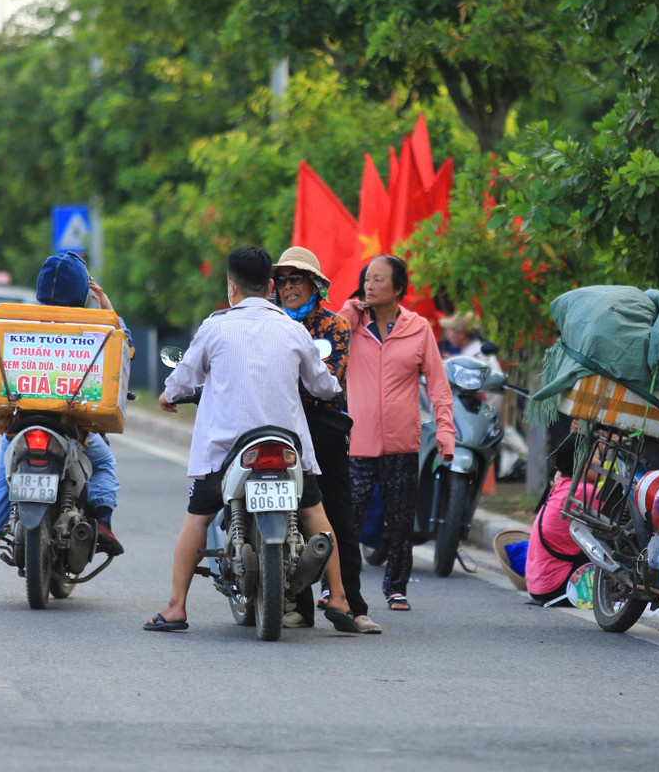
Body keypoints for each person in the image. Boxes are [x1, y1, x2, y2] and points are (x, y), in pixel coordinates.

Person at [146, 246, 361, 633]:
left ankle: (176, 607)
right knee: (315, 515)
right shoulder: (293, 330)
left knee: (197, 518)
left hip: (226, 452)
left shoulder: (214, 327)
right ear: (269, 286)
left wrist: (167, 395)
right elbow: (324, 385)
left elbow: (184, 377)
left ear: (232, 286)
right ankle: (341, 598)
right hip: (287, 447)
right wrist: (329, 388)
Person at [0, 252, 126, 598]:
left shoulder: (16, 323)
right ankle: (105, 523)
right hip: (70, 429)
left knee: (1, 490)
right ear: (83, 292)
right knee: (105, 464)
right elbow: (124, 346)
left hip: (21, 427)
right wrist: (107, 307)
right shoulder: (95, 327)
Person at [271, 247, 381, 634]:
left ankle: (351, 604)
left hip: (322, 425)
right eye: (281, 280)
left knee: (337, 516)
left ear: (314, 284)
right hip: (277, 422)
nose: (288, 287)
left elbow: (325, 382)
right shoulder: (264, 321)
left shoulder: (334, 326)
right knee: (288, 515)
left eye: (295, 279)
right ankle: (297, 606)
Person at [340, 254, 455, 612]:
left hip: (403, 442)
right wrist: (348, 312)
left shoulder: (418, 329)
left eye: (379, 280)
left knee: (401, 520)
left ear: (399, 289)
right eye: (367, 280)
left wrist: (446, 433)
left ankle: (396, 587)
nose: (370, 286)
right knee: (348, 520)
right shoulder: (353, 324)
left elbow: (438, 385)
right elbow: (326, 349)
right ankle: (340, 587)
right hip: (356, 441)